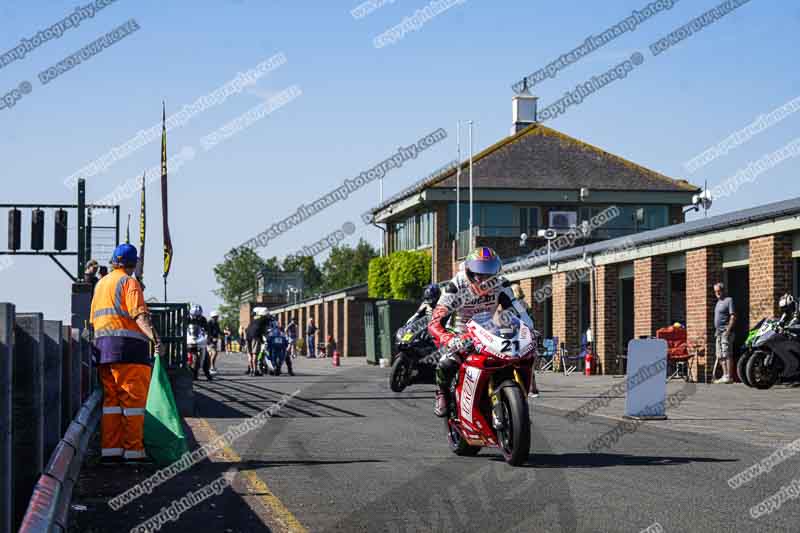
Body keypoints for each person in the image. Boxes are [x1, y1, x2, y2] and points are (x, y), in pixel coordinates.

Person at [428, 247, 533, 417]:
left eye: (490, 273)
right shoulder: (455, 286)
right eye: (480, 273)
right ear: (469, 271)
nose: (485, 279)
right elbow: (435, 321)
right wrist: (448, 339)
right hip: (462, 334)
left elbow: (519, 311)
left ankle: (519, 398)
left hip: (490, 332)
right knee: (446, 363)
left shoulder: (501, 284)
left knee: (521, 356)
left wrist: (530, 330)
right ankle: (442, 393)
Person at [90, 243, 159, 462]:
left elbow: (93, 320)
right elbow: (140, 315)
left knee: (111, 402)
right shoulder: (129, 282)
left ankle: (111, 452)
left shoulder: (101, 284)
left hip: (103, 350)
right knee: (133, 403)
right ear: (134, 263)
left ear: (113, 261)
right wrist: (156, 339)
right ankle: (134, 452)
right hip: (129, 352)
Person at [511, 283, 540, 398]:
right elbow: (530, 320)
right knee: (529, 361)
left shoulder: (514, 305)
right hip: (528, 335)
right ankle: (533, 388)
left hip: (518, 336)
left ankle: (529, 388)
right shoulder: (525, 305)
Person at [713, 282, 736, 384]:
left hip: (726, 332)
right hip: (718, 332)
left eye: (718, 291)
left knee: (727, 353)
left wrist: (728, 330)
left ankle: (730, 376)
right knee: (720, 354)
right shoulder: (718, 302)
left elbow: (733, 316)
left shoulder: (728, 300)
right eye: (715, 291)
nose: (717, 293)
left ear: (723, 291)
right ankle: (725, 375)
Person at [188, 305, 212, 380]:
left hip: (198, 339)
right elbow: (180, 326)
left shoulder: (203, 319)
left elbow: (207, 329)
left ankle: (207, 373)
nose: (196, 317)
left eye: (197, 315)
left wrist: (208, 337)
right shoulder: (186, 318)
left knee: (207, 356)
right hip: (188, 338)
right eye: (194, 315)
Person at [246, 308, 272, 376]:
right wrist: (264, 338)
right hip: (255, 336)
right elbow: (265, 330)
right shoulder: (265, 319)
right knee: (255, 354)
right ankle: (255, 371)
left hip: (248, 336)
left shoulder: (255, 318)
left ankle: (251, 370)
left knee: (250, 353)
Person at [207, 311, 222, 375]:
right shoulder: (209, 323)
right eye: (216, 317)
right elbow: (208, 332)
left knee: (211, 354)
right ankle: (211, 367)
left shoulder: (216, 323)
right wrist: (212, 338)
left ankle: (211, 367)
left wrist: (225, 334)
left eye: (217, 317)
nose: (217, 318)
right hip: (210, 341)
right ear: (213, 317)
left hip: (215, 341)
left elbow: (219, 331)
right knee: (214, 353)